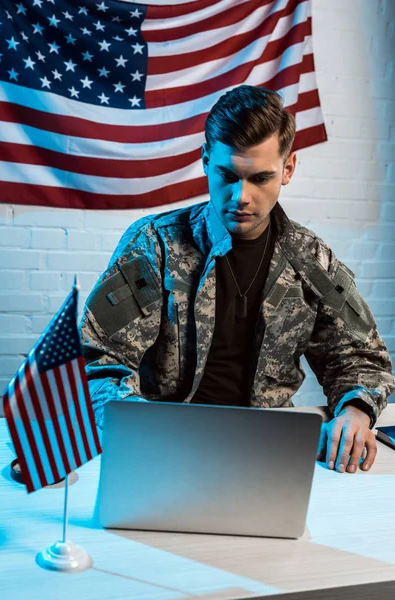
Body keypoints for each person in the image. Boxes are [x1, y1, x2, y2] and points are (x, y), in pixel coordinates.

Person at [80, 85, 395, 475]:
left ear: (289, 169)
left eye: (261, 178)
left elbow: (361, 358)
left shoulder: (312, 261)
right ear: (206, 160)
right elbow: (95, 360)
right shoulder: (155, 244)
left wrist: (356, 411)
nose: (241, 196)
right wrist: (143, 430)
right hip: (164, 452)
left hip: (270, 453)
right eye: (227, 175)